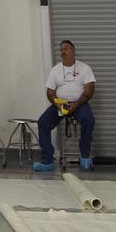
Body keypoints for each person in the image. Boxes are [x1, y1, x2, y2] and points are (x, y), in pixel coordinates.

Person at [33, 39, 96, 172]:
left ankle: (84, 156)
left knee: (88, 120)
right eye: (61, 49)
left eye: (66, 48)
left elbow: (89, 91)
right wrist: (60, 105)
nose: (63, 51)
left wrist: (74, 106)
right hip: (60, 104)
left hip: (80, 103)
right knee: (43, 123)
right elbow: (50, 93)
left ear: (73, 51)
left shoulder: (84, 68)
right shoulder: (55, 70)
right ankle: (47, 161)